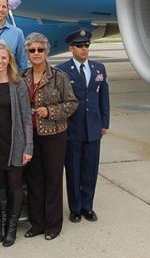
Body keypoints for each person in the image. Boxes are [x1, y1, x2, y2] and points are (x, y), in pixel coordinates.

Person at [21, 32, 78, 241]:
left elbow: (71, 103)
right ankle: (36, 223)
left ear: (46, 52)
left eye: (40, 49)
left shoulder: (58, 76)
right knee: (34, 179)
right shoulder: (22, 77)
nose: (36, 53)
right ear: (27, 53)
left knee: (53, 179)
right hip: (31, 136)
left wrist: (50, 111)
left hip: (54, 135)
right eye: (32, 50)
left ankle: (53, 225)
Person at [57, 30, 110, 223]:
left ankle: (88, 206)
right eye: (80, 46)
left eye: (86, 45)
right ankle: (75, 208)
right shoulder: (62, 70)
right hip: (72, 129)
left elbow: (104, 97)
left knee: (90, 169)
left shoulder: (99, 69)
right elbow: (61, 100)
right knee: (73, 170)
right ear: (71, 48)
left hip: (94, 129)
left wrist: (105, 122)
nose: (84, 49)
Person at [0, 43, 32, 247]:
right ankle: (3, 226)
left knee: (14, 186)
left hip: (15, 143)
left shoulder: (18, 84)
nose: (0, 61)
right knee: (0, 187)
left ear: (10, 60)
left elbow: (26, 119)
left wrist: (28, 147)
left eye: (4, 58)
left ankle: (12, 228)